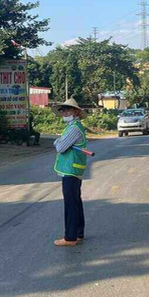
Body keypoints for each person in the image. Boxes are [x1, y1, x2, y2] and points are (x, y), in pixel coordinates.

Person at [51, 98, 88, 247]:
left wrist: (58, 142)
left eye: (68, 109)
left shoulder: (73, 129)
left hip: (70, 170)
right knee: (76, 201)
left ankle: (70, 237)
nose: (64, 112)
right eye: (63, 110)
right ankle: (78, 233)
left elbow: (60, 147)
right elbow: (60, 143)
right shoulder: (72, 126)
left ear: (76, 112)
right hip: (73, 169)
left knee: (70, 204)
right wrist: (59, 141)